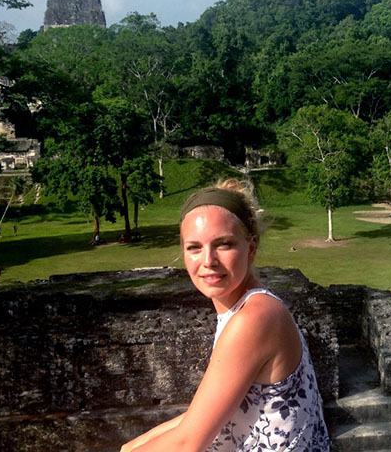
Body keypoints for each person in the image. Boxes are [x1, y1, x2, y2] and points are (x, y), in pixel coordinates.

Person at [122, 180, 330, 452]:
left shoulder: (255, 318)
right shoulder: (247, 308)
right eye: (194, 247)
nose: (208, 260)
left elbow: (188, 443)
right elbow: (199, 417)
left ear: (251, 249)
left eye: (223, 245)